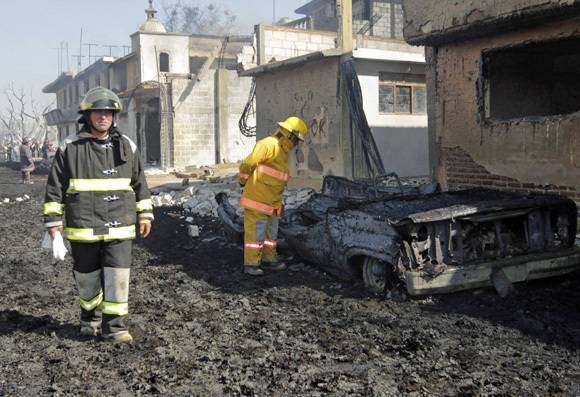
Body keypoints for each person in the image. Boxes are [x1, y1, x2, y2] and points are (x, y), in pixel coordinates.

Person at [44, 86, 154, 344]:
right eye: (97, 112)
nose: (103, 117)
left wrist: (145, 213)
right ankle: (89, 318)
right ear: (88, 115)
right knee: (86, 275)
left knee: (118, 275)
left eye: (108, 112)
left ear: (113, 116)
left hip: (121, 226)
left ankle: (114, 327)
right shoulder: (69, 148)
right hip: (84, 225)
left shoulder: (127, 146)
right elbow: (54, 188)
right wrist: (53, 223)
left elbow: (140, 182)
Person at [238, 116, 308, 276]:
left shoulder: (282, 152)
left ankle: (269, 260)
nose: (296, 144)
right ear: (289, 135)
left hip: (273, 203)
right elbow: (248, 164)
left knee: (270, 235)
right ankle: (251, 265)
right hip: (258, 200)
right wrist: (242, 180)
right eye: (296, 140)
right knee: (255, 235)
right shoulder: (268, 145)